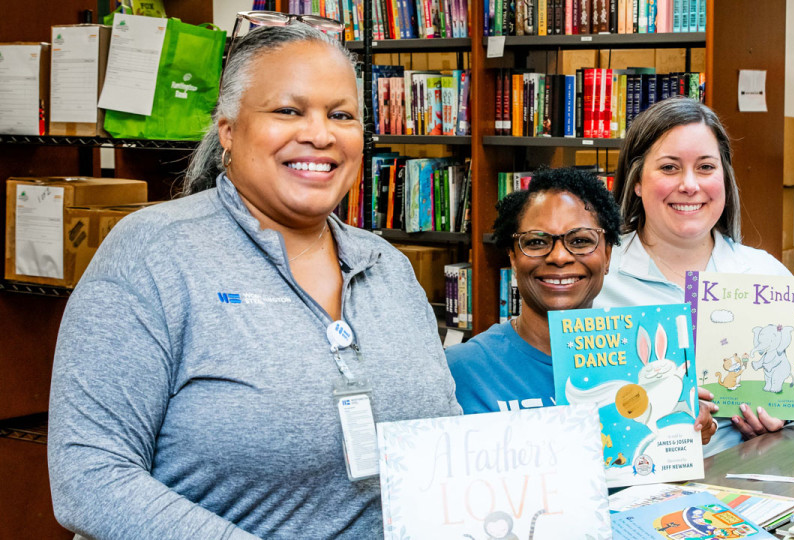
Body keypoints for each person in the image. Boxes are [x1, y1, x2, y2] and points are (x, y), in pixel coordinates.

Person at [47, 23, 459, 539]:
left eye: (341, 115)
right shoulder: (153, 254)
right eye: (288, 110)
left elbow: (445, 446)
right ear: (228, 129)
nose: (320, 134)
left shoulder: (387, 267)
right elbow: (90, 477)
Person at [445, 167, 718, 445]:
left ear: (608, 256)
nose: (560, 256)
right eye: (537, 242)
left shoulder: (641, 365)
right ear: (513, 258)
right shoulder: (461, 371)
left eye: (580, 241)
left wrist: (681, 422)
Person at [593, 97, 791, 457]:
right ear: (636, 181)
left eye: (705, 167)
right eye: (669, 168)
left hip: (742, 484)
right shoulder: (595, 279)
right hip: (629, 486)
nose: (689, 185)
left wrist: (778, 424)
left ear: (724, 179)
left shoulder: (768, 276)